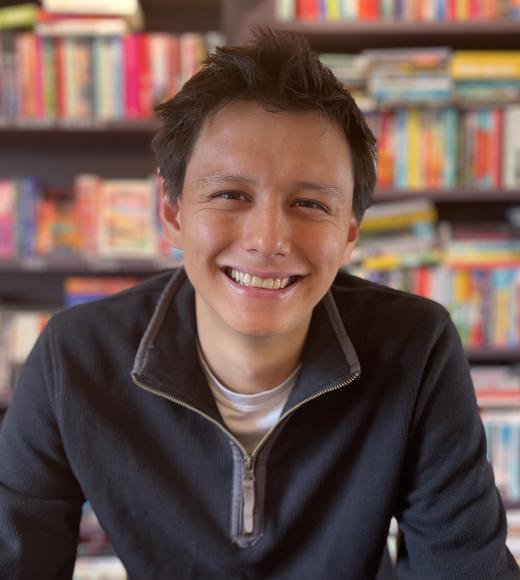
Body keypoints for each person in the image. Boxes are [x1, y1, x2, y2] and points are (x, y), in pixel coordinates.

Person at [0, 28, 518, 580]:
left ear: (348, 234)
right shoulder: (74, 357)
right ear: (173, 213)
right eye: (231, 195)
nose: (268, 239)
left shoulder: (416, 347)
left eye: (309, 203)